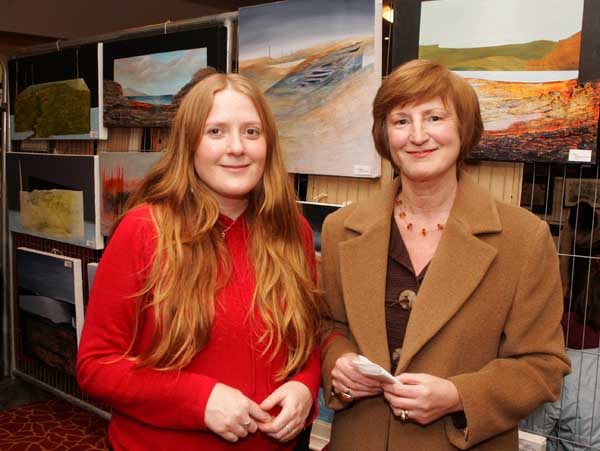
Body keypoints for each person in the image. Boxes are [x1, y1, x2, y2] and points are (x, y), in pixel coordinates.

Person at [319, 59, 571, 450]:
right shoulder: (341, 229)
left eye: (435, 117)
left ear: (464, 129)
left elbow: (542, 365)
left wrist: (459, 396)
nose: (418, 136)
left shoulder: (524, 239)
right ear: (385, 136)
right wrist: (339, 363)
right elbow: (328, 325)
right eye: (401, 121)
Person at [77, 73, 322, 451]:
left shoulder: (295, 232)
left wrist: (305, 386)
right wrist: (199, 400)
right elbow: (96, 365)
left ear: (269, 144)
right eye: (216, 132)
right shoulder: (143, 231)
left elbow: (306, 342)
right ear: (189, 144)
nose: (237, 147)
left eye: (252, 132)